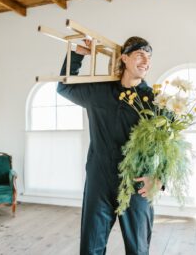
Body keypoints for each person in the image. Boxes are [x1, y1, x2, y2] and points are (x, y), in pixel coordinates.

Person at [57, 36, 163, 255]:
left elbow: (169, 143)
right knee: (91, 248)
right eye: (140, 54)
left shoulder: (154, 100)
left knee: (138, 249)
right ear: (124, 58)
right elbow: (64, 88)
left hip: (137, 183)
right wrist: (76, 55)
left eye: (149, 57)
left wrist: (160, 178)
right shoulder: (99, 91)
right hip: (100, 180)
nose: (146, 61)